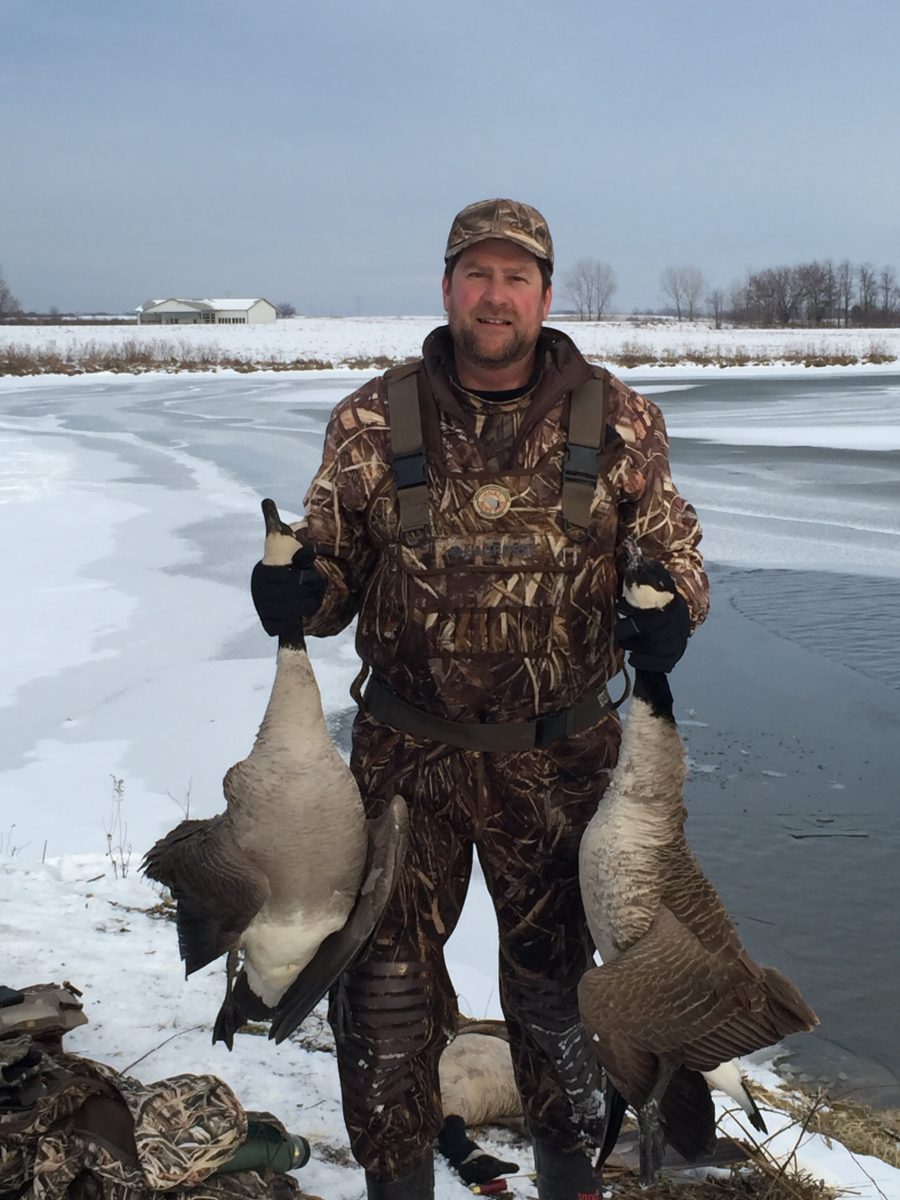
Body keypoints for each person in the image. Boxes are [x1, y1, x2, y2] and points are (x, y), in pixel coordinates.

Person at [250, 199, 709, 1200]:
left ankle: (571, 1181)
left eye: (516, 277)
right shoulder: (374, 418)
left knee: (560, 999)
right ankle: (397, 1184)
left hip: (561, 761)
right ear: (448, 285)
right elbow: (333, 573)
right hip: (405, 759)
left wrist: (673, 609)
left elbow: (672, 553)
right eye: (477, 274)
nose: (495, 296)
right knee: (385, 999)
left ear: (544, 295)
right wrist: (297, 589)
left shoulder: (619, 417)